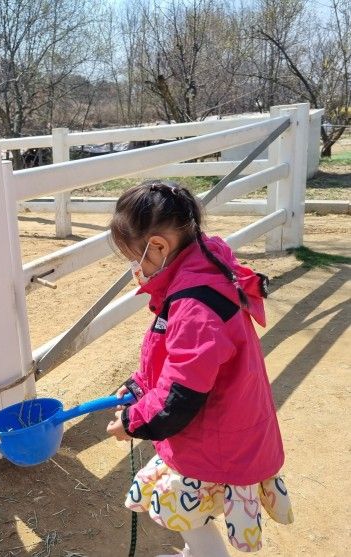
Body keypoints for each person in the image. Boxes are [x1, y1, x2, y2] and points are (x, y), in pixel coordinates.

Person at [105, 181, 293, 556]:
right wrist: (140, 388)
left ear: (158, 246)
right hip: (225, 427)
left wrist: (133, 421)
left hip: (214, 440)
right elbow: (176, 363)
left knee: (189, 517)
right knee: (196, 514)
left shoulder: (194, 305)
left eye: (134, 257)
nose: (134, 268)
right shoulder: (205, 269)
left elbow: (181, 394)